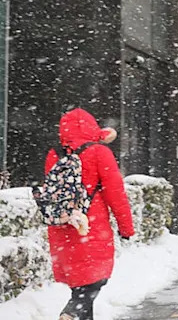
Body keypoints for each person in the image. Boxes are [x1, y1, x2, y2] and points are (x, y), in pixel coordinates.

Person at [46, 109, 135, 320]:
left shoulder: (55, 153)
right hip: (91, 224)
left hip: (62, 224)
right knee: (96, 279)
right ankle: (72, 312)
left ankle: (78, 311)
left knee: (79, 281)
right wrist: (126, 227)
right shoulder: (99, 152)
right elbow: (116, 194)